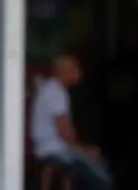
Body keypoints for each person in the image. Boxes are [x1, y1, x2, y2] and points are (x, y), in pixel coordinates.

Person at [30, 54, 113, 190]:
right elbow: (64, 132)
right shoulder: (55, 92)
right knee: (100, 177)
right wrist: (84, 150)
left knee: (98, 164)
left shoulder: (52, 89)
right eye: (76, 68)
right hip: (53, 149)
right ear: (65, 71)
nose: (79, 72)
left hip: (52, 147)